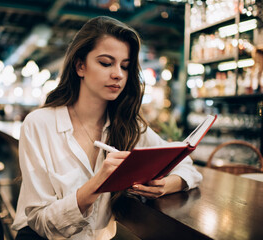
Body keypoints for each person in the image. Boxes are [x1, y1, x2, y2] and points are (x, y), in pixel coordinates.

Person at [12, 16, 202, 240]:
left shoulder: (129, 127)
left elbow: (187, 166)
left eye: (125, 66)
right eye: (105, 63)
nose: (118, 74)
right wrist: (96, 184)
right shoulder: (39, 124)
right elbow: (42, 223)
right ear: (80, 66)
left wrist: (165, 185)